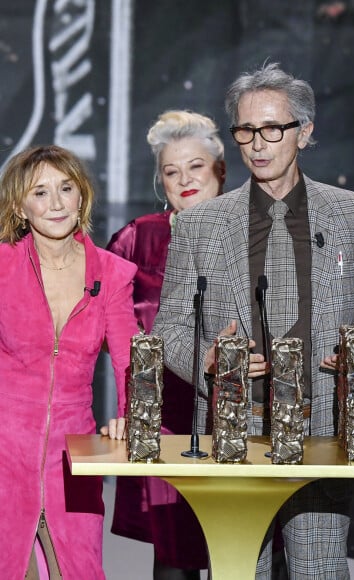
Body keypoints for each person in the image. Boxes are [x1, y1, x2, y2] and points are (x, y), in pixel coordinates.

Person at [153, 62, 354, 579]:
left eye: (272, 129)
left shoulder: (353, 214)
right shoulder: (200, 225)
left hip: (325, 429)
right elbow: (170, 327)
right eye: (245, 131)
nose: (257, 144)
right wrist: (210, 363)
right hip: (233, 432)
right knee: (242, 572)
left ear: (305, 132)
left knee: (319, 572)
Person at [0, 144, 137, 578]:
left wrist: (129, 417)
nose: (56, 203)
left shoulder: (113, 274)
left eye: (65, 188)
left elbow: (132, 361)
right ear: (20, 206)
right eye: (39, 193)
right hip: (3, 452)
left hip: (73, 458)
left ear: (82, 197)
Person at [106, 110, 225, 580]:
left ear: (219, 168)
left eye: (195, 166)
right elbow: (90, 316)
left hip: (244, 413)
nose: (185, 179)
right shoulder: (137, 238)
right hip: (166, 423)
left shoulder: (256, 231)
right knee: (173, 560)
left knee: (250, 549)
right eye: (171, 172)